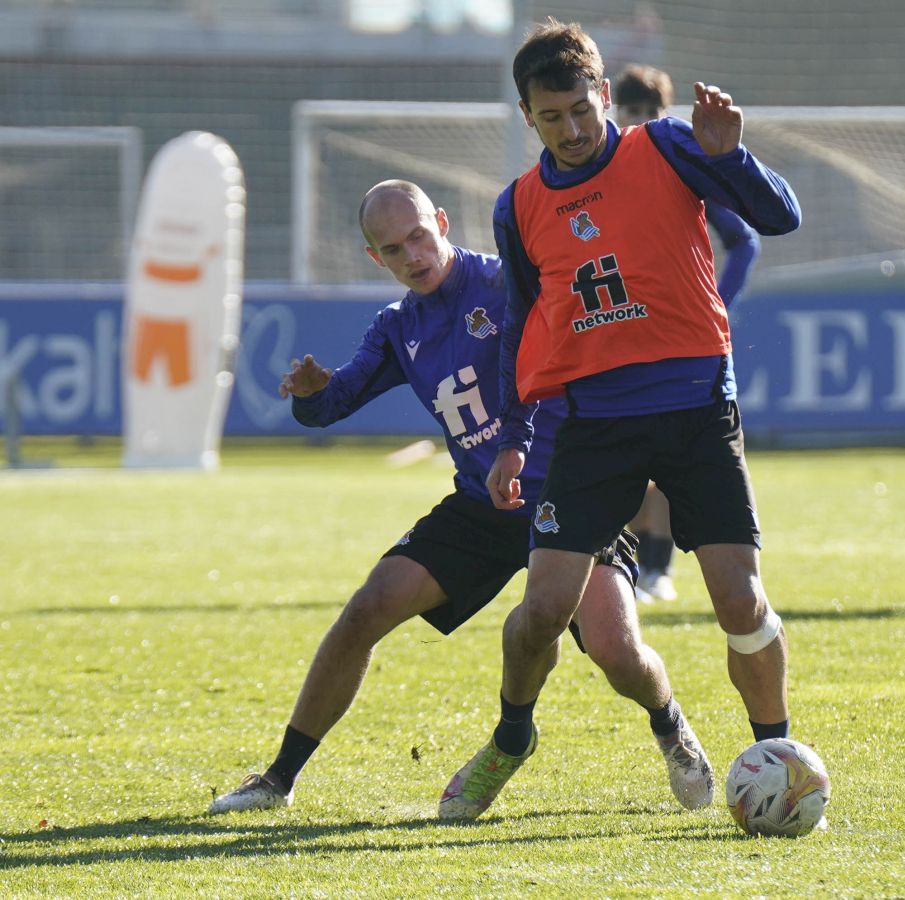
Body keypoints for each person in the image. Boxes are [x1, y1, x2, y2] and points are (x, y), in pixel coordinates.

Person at [208, 180, 712, 816]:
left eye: (419, 236)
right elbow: (332, 405)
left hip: (570, 495)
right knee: (367, 608)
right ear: (377, 260)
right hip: (483, 504)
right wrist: (311, 391)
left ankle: (670, 728)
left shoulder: (511, 283)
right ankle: (277, 779)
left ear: (442, 222)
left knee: (618, 654)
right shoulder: (396, 327)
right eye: (393, 250)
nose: (413, 255)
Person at [446, 19, 802, 821]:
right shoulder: (520, 207)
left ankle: (775, 758)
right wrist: (512, 437)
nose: (572, 130)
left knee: (740, 602)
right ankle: (511, 737)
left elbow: (779, 221)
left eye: (582, 109)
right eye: (551, 117)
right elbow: (523, 330)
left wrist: (730, 155)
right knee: (540, 613)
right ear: (526, 117)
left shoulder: (670, 146)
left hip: (697, 413)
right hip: (593, 427)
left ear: (606, 95)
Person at [613, 62, 762, 604]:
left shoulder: (679, 162)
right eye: (632, 112)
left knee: (672, 459)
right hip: (619, 335)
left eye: (652, 112)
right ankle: (631, 567)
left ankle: (658, 567)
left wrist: (717, 305)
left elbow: (744, 240)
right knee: (626, 458)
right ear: (614, 111)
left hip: (683, 341)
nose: (642, 122)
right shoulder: (596, 170)